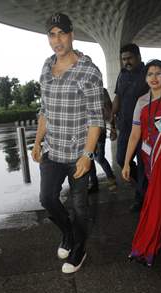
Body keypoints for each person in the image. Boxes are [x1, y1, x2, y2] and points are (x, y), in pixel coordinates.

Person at [31, 13, 104, 273]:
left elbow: (96, 119)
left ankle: (79, 249)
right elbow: (45, 110)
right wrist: (38, 142)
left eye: (61, 33)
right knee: (47, 198)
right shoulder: (46, 66)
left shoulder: (89, 72)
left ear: (72, 34)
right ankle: (69, 233)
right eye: (52, 34)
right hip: (52, 149)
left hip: (77, 153)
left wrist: (87, 154)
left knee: (79, 206)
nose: (57, 39)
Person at [122, 59, 161, 267]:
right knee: (160, 196)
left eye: (159, 73)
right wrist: (126, 162)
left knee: (155, 198)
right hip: (148, 155)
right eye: (150, 74)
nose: (154, 78)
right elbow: (134, 134)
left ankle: (146, 248)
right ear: (146, 78)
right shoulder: (141, 101)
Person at [112, 43, 148, 211]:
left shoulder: (147, 73)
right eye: (123, 59)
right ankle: (142, 187)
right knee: (121, 159)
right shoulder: (122, 74)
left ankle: (141, 197)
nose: (126, 62)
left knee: (142, 164)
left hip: (144, 128)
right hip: (125, 127)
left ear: (138, 56)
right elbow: (117, 97)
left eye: (129, 58)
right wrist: (112, 120)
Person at [88, 88, 117, 193]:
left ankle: (111, 178)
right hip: (86, 131)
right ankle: (94, 183)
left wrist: (113, 128)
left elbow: (109, 110)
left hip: (100, 130)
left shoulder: (102, 91)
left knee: (99, 157)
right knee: (89, 158)